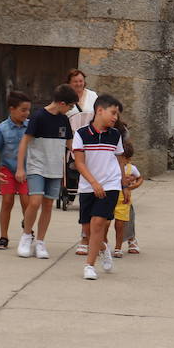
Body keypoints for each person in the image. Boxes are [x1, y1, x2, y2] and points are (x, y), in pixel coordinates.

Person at [15, 84, 79, 259]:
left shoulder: (64, 120)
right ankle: (26, 235)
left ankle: (40, 242)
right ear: (61, 103)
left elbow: (70, 145)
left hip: (55, 169)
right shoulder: (38, 117)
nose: (70, 110)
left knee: (48, 205)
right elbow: (24, 142)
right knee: (34, 202)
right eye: (70, 106)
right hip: (37, 167)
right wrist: (20, 167)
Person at [72, 94, 127, 281]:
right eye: (113, 113)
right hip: (88, 186)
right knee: (88, 230)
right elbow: (79, 163)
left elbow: (119, 160)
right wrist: (94, 183)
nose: (115, 118)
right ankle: (102, 247)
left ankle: (89, 265)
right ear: (100, 111)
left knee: (98, 224)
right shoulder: (81, 134)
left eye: (117, 115)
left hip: (110, 185)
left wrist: (123, 185)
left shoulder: (115, 135)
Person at [0, 91, 32, 249]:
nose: (26, 113)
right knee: (7, 201)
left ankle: (27, 229)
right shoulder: (2, 129)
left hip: (26, 171)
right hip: (7, 170)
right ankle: (3, 237)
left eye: (28, 110)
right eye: (23, 110)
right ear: (11, 109)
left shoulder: (31, 126)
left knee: (27, 203)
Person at [110, 140, 144, 259]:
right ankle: (101, 244)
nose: (127, 161)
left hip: (123, 199)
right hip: (110, 197)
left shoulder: (131, 168)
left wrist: (134, 186)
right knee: (105, 223)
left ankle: (118, 247)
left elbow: (140, 178)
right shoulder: (111, 167)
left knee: (120, 225)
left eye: (128, 159)